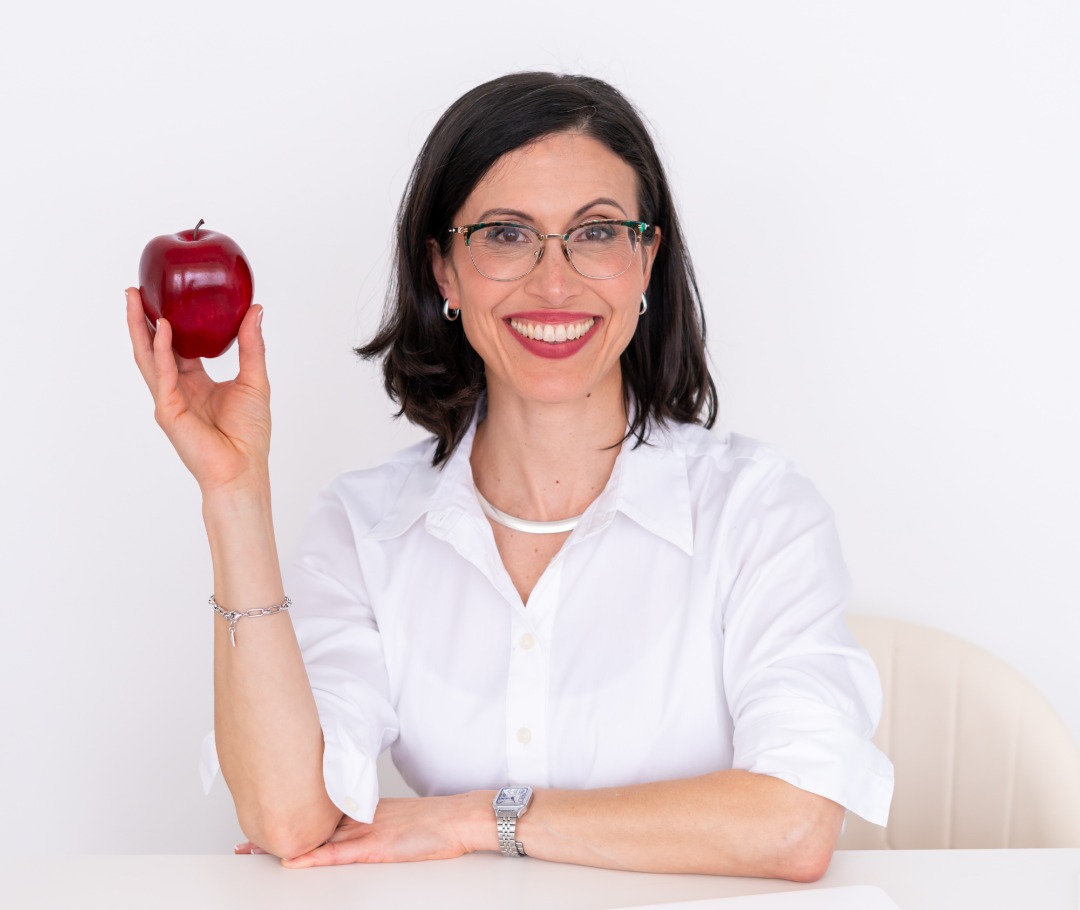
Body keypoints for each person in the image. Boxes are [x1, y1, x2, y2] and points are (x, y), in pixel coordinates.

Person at [126, 71, 893, 882]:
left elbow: (793, 825)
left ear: (646, 262)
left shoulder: (759, 510)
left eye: (597, 233)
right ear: (444, 273)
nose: (554, 283)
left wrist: (474, 818)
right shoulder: (366, 527)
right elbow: (289, 815)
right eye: (505, 234)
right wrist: (233, 492)